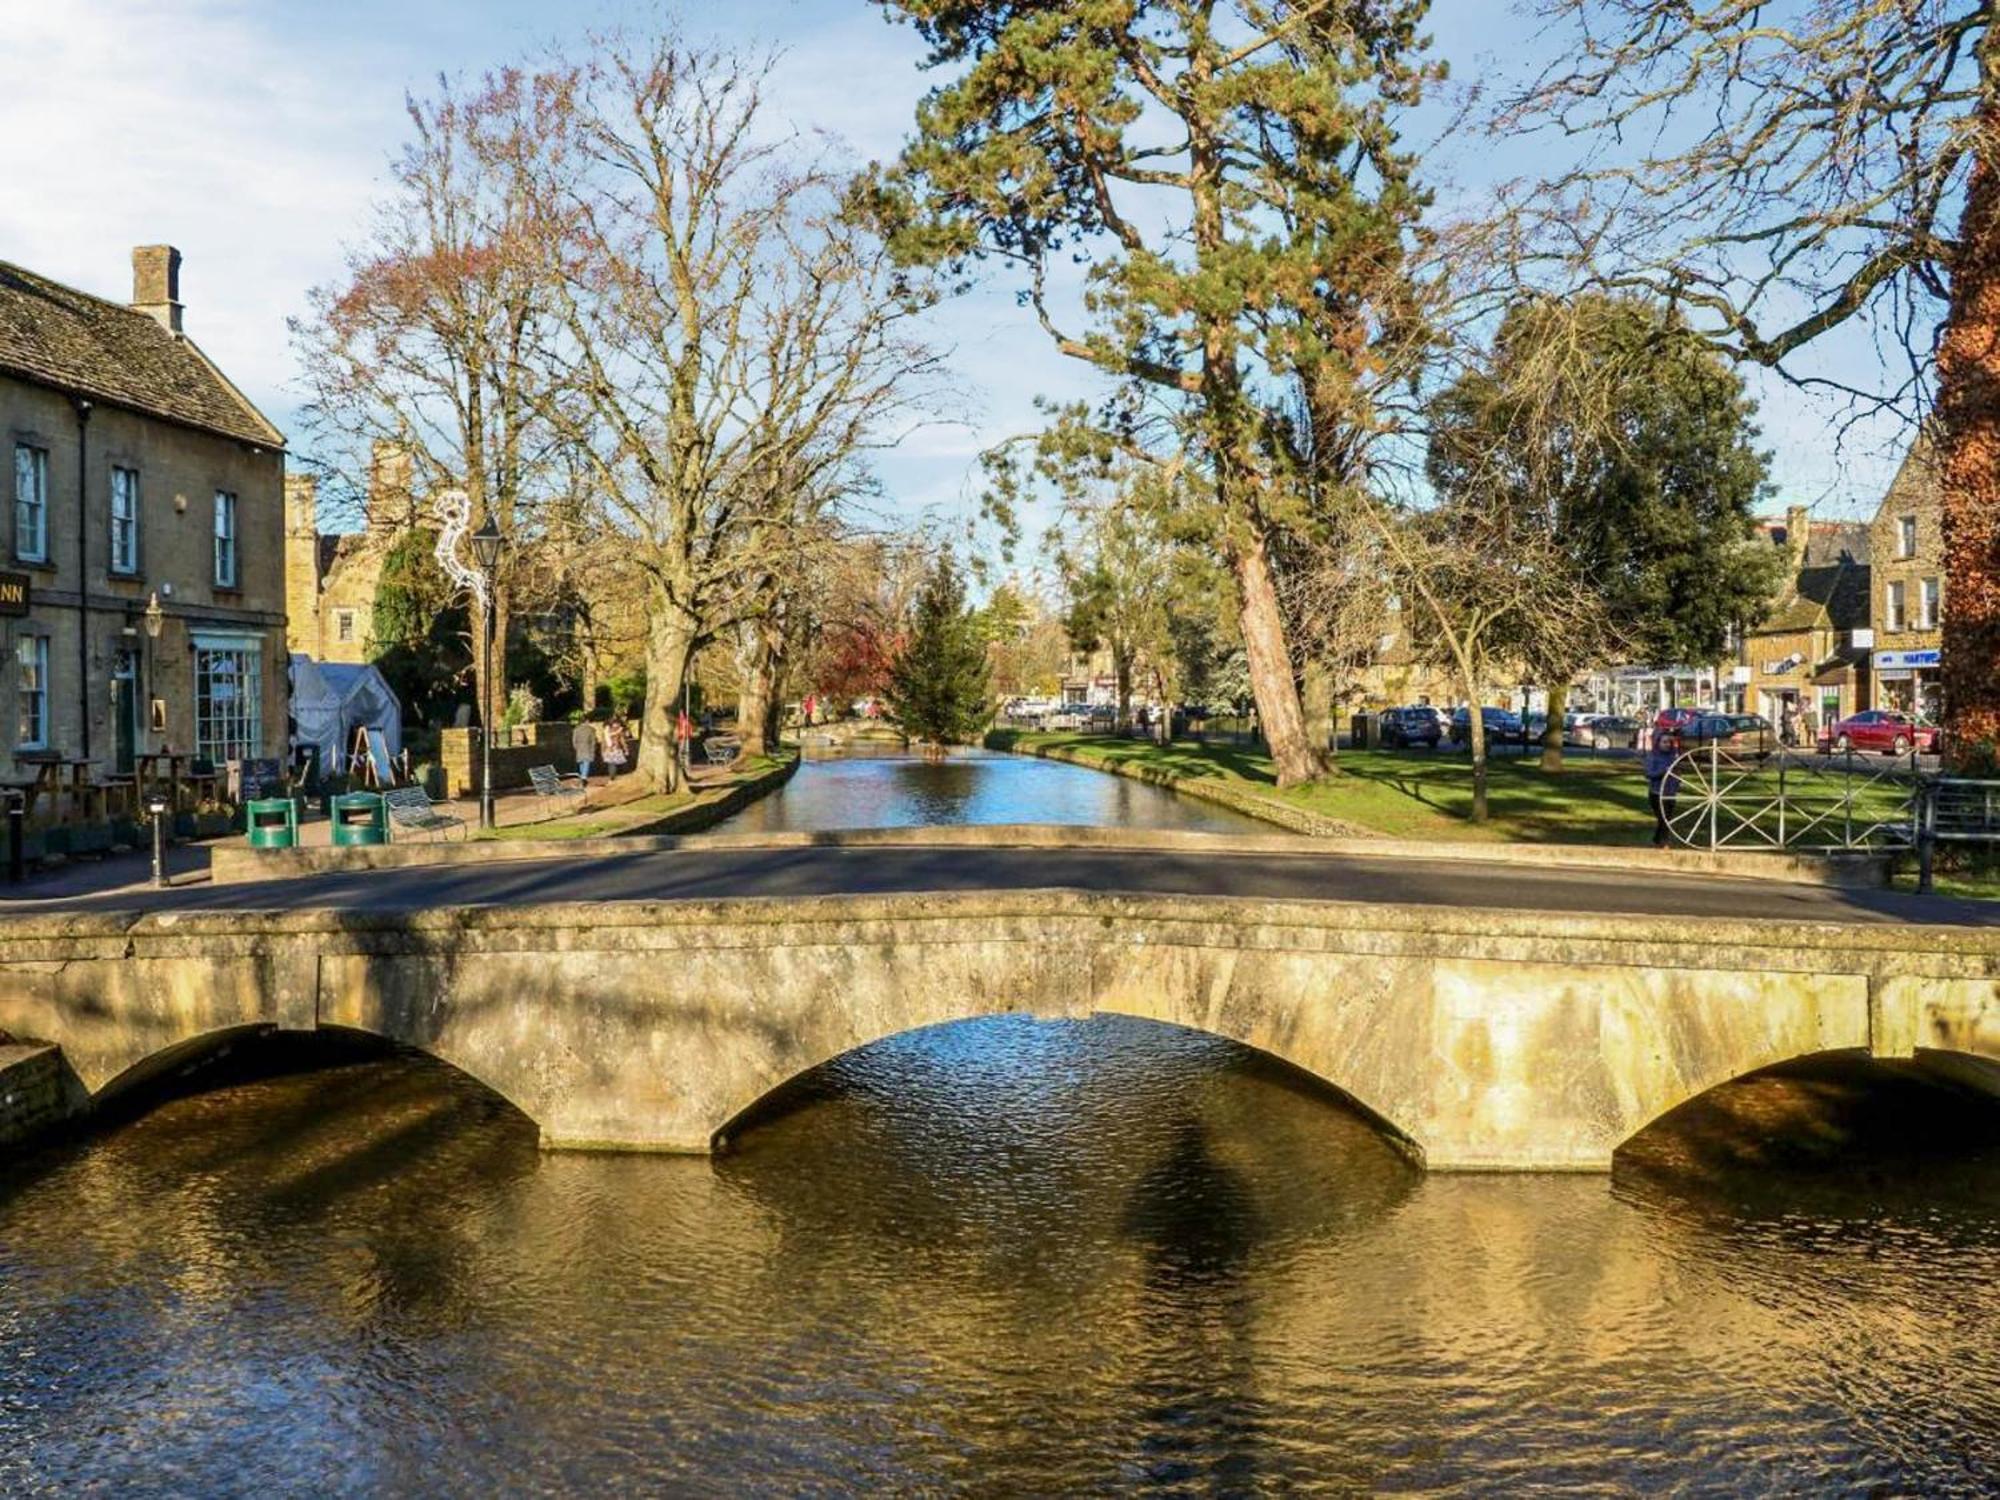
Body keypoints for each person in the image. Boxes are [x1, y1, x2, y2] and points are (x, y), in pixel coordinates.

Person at [1644, 730, 1681, 849]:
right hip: (1656, 793)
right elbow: (1649, 774)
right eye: (1664, 742)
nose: (1667, 744)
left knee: (1666, 819)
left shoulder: (1673, 757)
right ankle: (1663, 842)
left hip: (1670, 794)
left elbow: (1677, 773)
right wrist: (1663, 772)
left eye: (1669, 742)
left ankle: (1657, 840)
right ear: (1658, 743)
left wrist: (1677, 782)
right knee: (1663, 818)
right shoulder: (1653, 757)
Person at [572, 715, 599, 788]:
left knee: (581, 763)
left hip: (579, 749)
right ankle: (584, 778)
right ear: (587, 721)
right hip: (588, 748)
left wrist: (577, 748)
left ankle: (582, 777)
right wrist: (593, 749)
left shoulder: (576, 729)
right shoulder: (591, 729)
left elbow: (574, 741)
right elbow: (593, 741)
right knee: (586, 763)